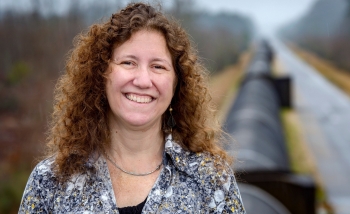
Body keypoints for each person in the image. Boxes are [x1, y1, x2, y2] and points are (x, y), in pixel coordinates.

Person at [19, 2, 245, 213]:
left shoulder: (211, 180)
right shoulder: (49, 182)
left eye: (158, 66)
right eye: (128, 62)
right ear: (101, 75)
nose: (143, 80)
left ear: (177, 84)